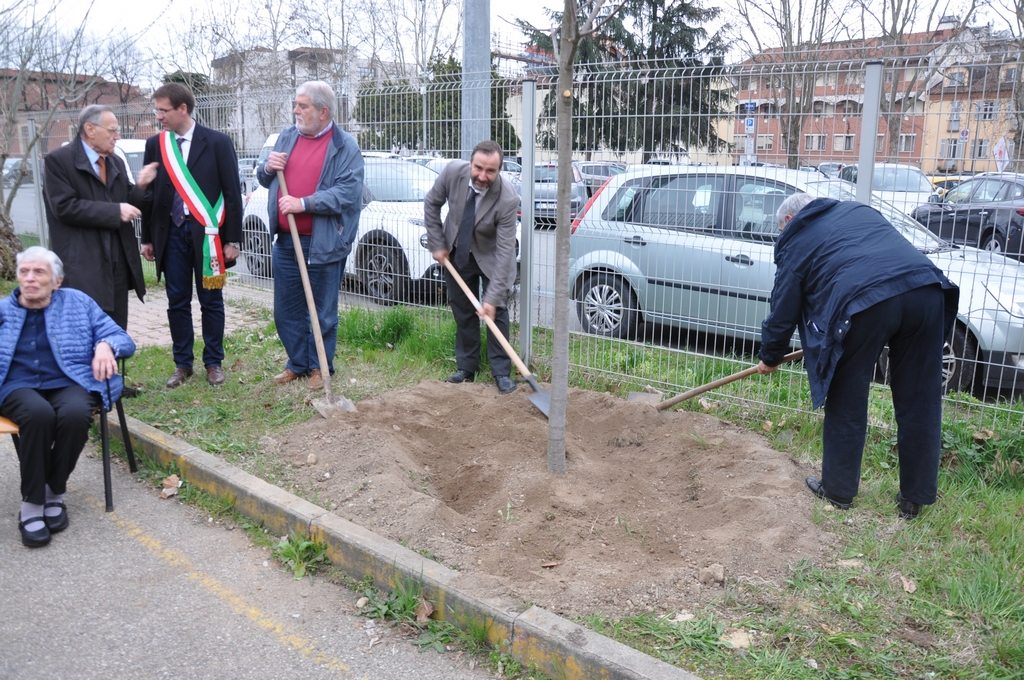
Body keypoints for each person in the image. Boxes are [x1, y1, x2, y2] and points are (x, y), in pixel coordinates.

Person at [755, 193, 959, 520]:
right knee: (920, 398)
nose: (782, 235)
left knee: (846, 393)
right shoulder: (854, 209)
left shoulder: (796, 238)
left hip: (865, 303)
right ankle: (914, 499)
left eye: (781, 229)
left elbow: (783, 308)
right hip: (926, 290)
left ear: (789, 221)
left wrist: (770, 354)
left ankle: (838, 490)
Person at [0, 247, 135, 548]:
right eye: (24, 272)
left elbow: (122, 339)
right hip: (16, 385)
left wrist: (105, 346)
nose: (30, 279)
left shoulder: (78, 303)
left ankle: (53, 492)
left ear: (56, 282)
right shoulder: (3, 311)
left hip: (70, 380)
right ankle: (33, 506)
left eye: (39, 273)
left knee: (75, 414)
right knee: (38, 414)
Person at [256, 81, 364, 390]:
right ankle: (298, 363)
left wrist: (304, 203)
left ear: (323, 111)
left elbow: (347, 193)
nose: (296, 110)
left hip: (324, 242)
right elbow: (266, 179)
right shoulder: (287, 137)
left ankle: (320, 367)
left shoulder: (345, 147)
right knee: (286, 308)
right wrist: (267, 167)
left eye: (303, 106)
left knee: (322, 311)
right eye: (296, 104)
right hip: (286, 240)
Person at [140, 82, 243, 388]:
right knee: (177, 301)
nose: (159, 116)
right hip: (170, 235)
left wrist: (232, 240)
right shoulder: (156, 144)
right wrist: (146, 237)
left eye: (163, 110)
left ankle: (214, 362)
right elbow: (150, 197)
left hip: (207, 237)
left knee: (211, 300)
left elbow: (232, 194)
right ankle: (183, 364)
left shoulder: (218, 143)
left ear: (182, 109)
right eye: (157, 110)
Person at [43, 104, 159, 330]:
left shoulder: (114, 161)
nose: (118, 136)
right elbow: (64, 207)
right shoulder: (59, 161)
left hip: (116, 262)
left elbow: (128, 201)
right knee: (84, 331)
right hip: (82, 265)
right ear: (90, 129)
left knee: (115, 331)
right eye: (112, 130)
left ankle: (114, 367)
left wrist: (142, 185)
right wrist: (115, 212)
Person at [423, 140, 519, 395]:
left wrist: (492, 297)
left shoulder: (508, 198)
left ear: (499, 170)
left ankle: (501, 372)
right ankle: (467, 367)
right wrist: (437, 243)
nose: (483, 176)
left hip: (491, 255)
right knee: (463, 308)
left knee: (496, 312)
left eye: (491, 171)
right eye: (478, 168)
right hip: (456, 249)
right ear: (470, 163)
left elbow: (506, 251)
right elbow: (431, 204)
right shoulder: (452, 173)